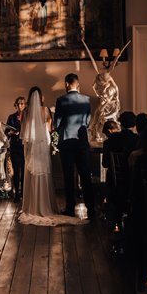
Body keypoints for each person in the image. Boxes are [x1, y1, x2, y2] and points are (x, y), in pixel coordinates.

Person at [17, 87, 85, 227]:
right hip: (43, 143)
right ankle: (46, 205)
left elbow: (23, 132)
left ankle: (32, 207)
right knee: (44, 172)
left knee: (32, 172)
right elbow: (49, 129)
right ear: (41, 97)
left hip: (32, 145)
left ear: (29, 98)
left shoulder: (26, 111)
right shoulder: (46, 110)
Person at [54, 74, 95, 220]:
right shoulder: (86, 100)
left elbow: (57, 122)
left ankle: (70, 208)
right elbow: (88, 121)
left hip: (66, 142)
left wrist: (59, 129)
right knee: (85, 176)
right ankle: (91, 209)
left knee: (68, 176)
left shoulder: (61, 100)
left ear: (66, 84)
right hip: (82, 142)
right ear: (77, 84)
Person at [80, 38, 131, 143]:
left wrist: (115, 97)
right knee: (98, 114)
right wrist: (98, 94)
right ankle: (95, 132)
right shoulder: (99, 78)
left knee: (100, 114)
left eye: (104, 83)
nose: (102, 84)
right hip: (105, 100)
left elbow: (115, 87)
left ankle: (98, 131)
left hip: (109, 102)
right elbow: (93, 86)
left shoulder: (110, 85)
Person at [5, 96, 26, 203]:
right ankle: (17, 193)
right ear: (16, 105)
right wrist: (12, 133)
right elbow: (6, 132)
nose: (20, 105)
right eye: (18, 104)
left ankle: (24, 193)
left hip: (25, 146)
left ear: (25, 104)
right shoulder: (11, 117)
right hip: (15, 146)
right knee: (16, 171)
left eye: (22, 103)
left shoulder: (28, 116)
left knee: (24, 170)